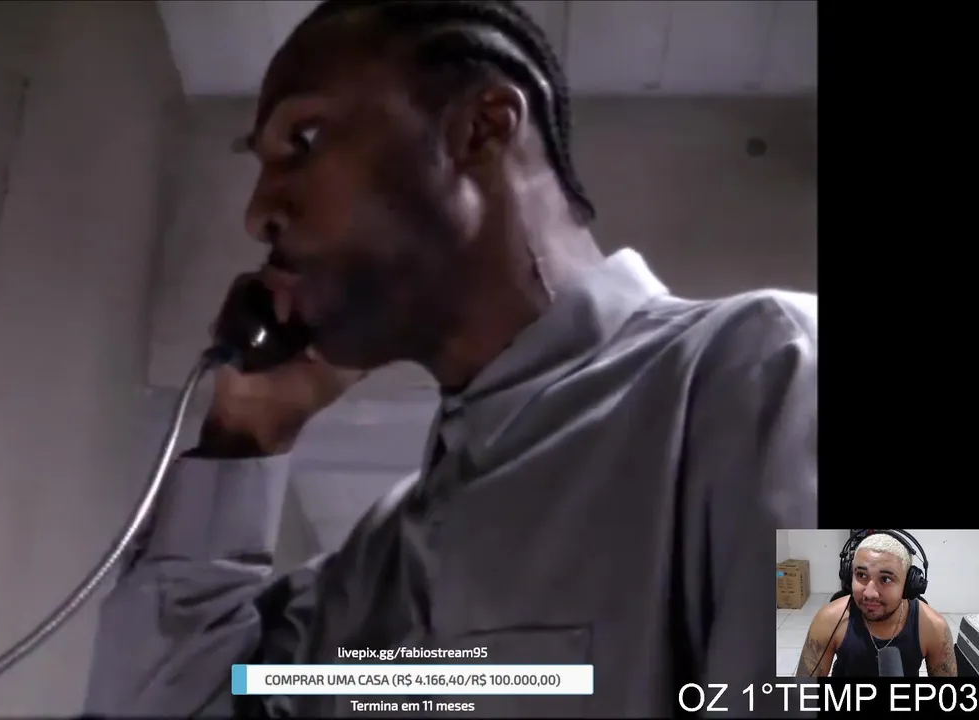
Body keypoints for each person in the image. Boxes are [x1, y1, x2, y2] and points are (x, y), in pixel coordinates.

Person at [85, 1, 818, 716]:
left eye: (304, 140)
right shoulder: (379, 566)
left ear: (482, 128)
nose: (258, 214)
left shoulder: (779, 371)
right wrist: (245, 436)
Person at [796, 534, 956, 678]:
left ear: (908, 584)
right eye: (861, 575)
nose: (869, 593)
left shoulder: (933, 628)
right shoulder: (829, 620)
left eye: (886, 579)